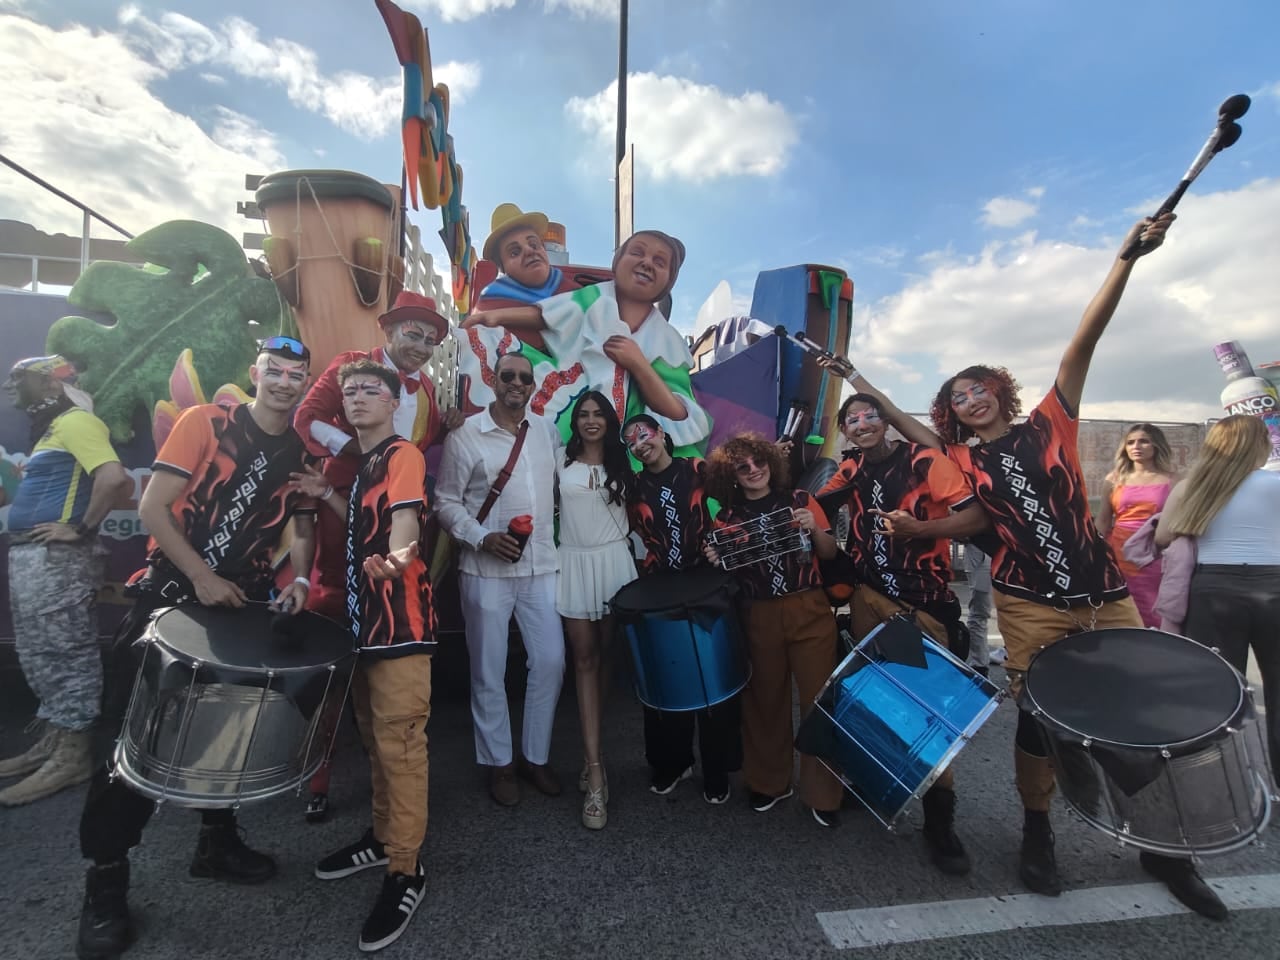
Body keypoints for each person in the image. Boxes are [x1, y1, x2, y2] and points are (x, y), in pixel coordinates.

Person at [858, 214, 1222, 919]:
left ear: (1000, 389)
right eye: (958, 397)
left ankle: (1166, 853)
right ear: (952, 415)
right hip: (1026, 603)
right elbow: (913, 430)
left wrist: (1126, 260)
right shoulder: (959, 458)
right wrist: (858, 378)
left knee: (1139, 719)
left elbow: (1083, 340)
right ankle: (1037, 834)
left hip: (1105, 594)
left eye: (978, 387)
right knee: (1040, 721)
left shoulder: (1052, 423)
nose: (971, 399)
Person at [76, 337, 318, 960]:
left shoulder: (299, 448)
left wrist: (297, 580)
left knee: (228, 732)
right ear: (254, 372)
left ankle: (217, 841)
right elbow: (154, 506)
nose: (286, 382)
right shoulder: (205, 422)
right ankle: (105, 881)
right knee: (129, 737)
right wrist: (201, 577)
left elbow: (300, 525)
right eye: (277, 371)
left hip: (243, 605)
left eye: (297, 375)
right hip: (171, 598)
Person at [294, 290, 461, 821]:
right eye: (413, 334)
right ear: (389, 331)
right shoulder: (352, 368)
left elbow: (417, 447)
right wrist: (357, 455)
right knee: (335, 639)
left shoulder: (429, 390)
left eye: (431, 340)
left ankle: (387, 770)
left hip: (400, 524)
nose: (421, 346)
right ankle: (320, 768)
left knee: (389, 650)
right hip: (343, 511)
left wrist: (448, 424)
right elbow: (307, 419)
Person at [294, 359, 437, 952]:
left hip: (400, 628)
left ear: (393, 402)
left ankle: (406, 869)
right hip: (364, 629)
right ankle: (383, 838)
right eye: (348, 391)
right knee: (376, 741)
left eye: (368, 390)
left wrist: (401, 557)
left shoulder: (402, 455)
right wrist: (326, 492)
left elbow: (404, 521)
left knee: (400, 745)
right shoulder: (362, 468)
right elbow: (360, 527)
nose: (355, 398)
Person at [812, 393, 981, 869]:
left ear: (886, 422)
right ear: (846, 431)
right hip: (868, 600)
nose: (862, 424)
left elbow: (975, 518)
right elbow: (815, 504)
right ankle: (874, 781)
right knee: (873, 701)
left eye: (870, 416)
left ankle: (940, 821)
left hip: (923, 605)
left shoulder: (925, 459)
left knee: (930, 715)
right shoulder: (850, 469)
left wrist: (919, 530)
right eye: (853, 419)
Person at [436, 351, 565, 806]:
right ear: (492, 380)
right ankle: (500, 764)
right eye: (507, 376)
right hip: (484, 569)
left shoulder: (546, 432)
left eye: (524, 378)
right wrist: (481, 537)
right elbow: (446, 502)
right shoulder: (466, 434)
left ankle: (535, 756)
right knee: (488, 671)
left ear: (533, 387)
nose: (516, 384)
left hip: (541, 566)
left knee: (550, 661)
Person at [0, 356, 130, 807]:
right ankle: (53, 744)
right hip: (37, 558)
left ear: (50, 383)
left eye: (19, 378)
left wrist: (81, 529)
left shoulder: (76, 422)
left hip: (59, 561)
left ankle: (74, 757)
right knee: (40, 653)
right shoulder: (52, 431)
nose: (10, 385)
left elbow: (114, 479)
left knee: (67, 653)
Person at [463, 230, 712, 455]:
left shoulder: (668, 341)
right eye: (637, 252)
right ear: (618, 261)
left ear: (668, 280)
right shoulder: (594, 297)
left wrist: (638, 364)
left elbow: (680, 413)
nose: (646, 262)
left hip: (627, 446)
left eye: (659, 262)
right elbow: (546, 315)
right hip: (569, 409)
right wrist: (491, 316)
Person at [704, 433, 845, 826]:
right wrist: (716, 556)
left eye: (758, 462)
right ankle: (769, 782)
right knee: (764, 702)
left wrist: (814, 529)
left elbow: (830, 552)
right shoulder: (726, 519)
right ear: (730, 475)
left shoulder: (801, 500)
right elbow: (728, 569)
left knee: (819, 701)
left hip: (809, 609)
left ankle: (824, 794)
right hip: (759, 614)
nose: (753, 470)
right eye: (742, 467)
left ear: (770, 461)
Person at [623, 413, 741, 802]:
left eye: (645, 434)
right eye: (631, 441)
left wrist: (721, 542)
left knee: (713, 677)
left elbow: (736, 502)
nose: (640, 443)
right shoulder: (634, 486)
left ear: (660, 434)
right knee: (666, 674)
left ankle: (717, 767)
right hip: (661, 586)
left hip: (706, 580)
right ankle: (671, 762)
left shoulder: (696, 468)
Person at [1156, 416, 1280, 781]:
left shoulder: (1193, 486)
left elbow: (1163, 536)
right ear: (1259, 444)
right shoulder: (1275, 482)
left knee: (1216, 690)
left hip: (1213, 589)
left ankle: (1217, 783)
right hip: (1275, 585)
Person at [556, 390, 636, 829]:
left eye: (598, 414)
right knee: (582, 660)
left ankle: (594, 750)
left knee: (606, 660)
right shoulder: (559, 462)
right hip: (572, 561)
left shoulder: (625, 465)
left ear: (609, 421)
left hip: (614, 564)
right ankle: (597, 774)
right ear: (576, 421)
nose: (590, 421)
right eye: (583, 414)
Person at [467, 202, 582, 351]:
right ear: (503, 267)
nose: (529, 251)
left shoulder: (572, 291)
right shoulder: (490, 301)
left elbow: (578, 312)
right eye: (515, 252)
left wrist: (499, 316)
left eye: (534, 244)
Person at [1097, 423, 1177, 627]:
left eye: (1144, 441)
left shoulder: (1172, 479)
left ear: (1156, 445)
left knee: (1154, 604)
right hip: (1119, 552)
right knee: (1122, 605)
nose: (1136, 447)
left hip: (1156, 551)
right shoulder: (1114, 479)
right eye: (1130, 442)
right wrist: (1093, 550)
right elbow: (1104, 519)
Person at [961, 543, 996, 671]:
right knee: (980, 609)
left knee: (1014, 607)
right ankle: (979, 665)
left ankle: (1013, 659)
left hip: (1008, 548)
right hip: (980, 549)